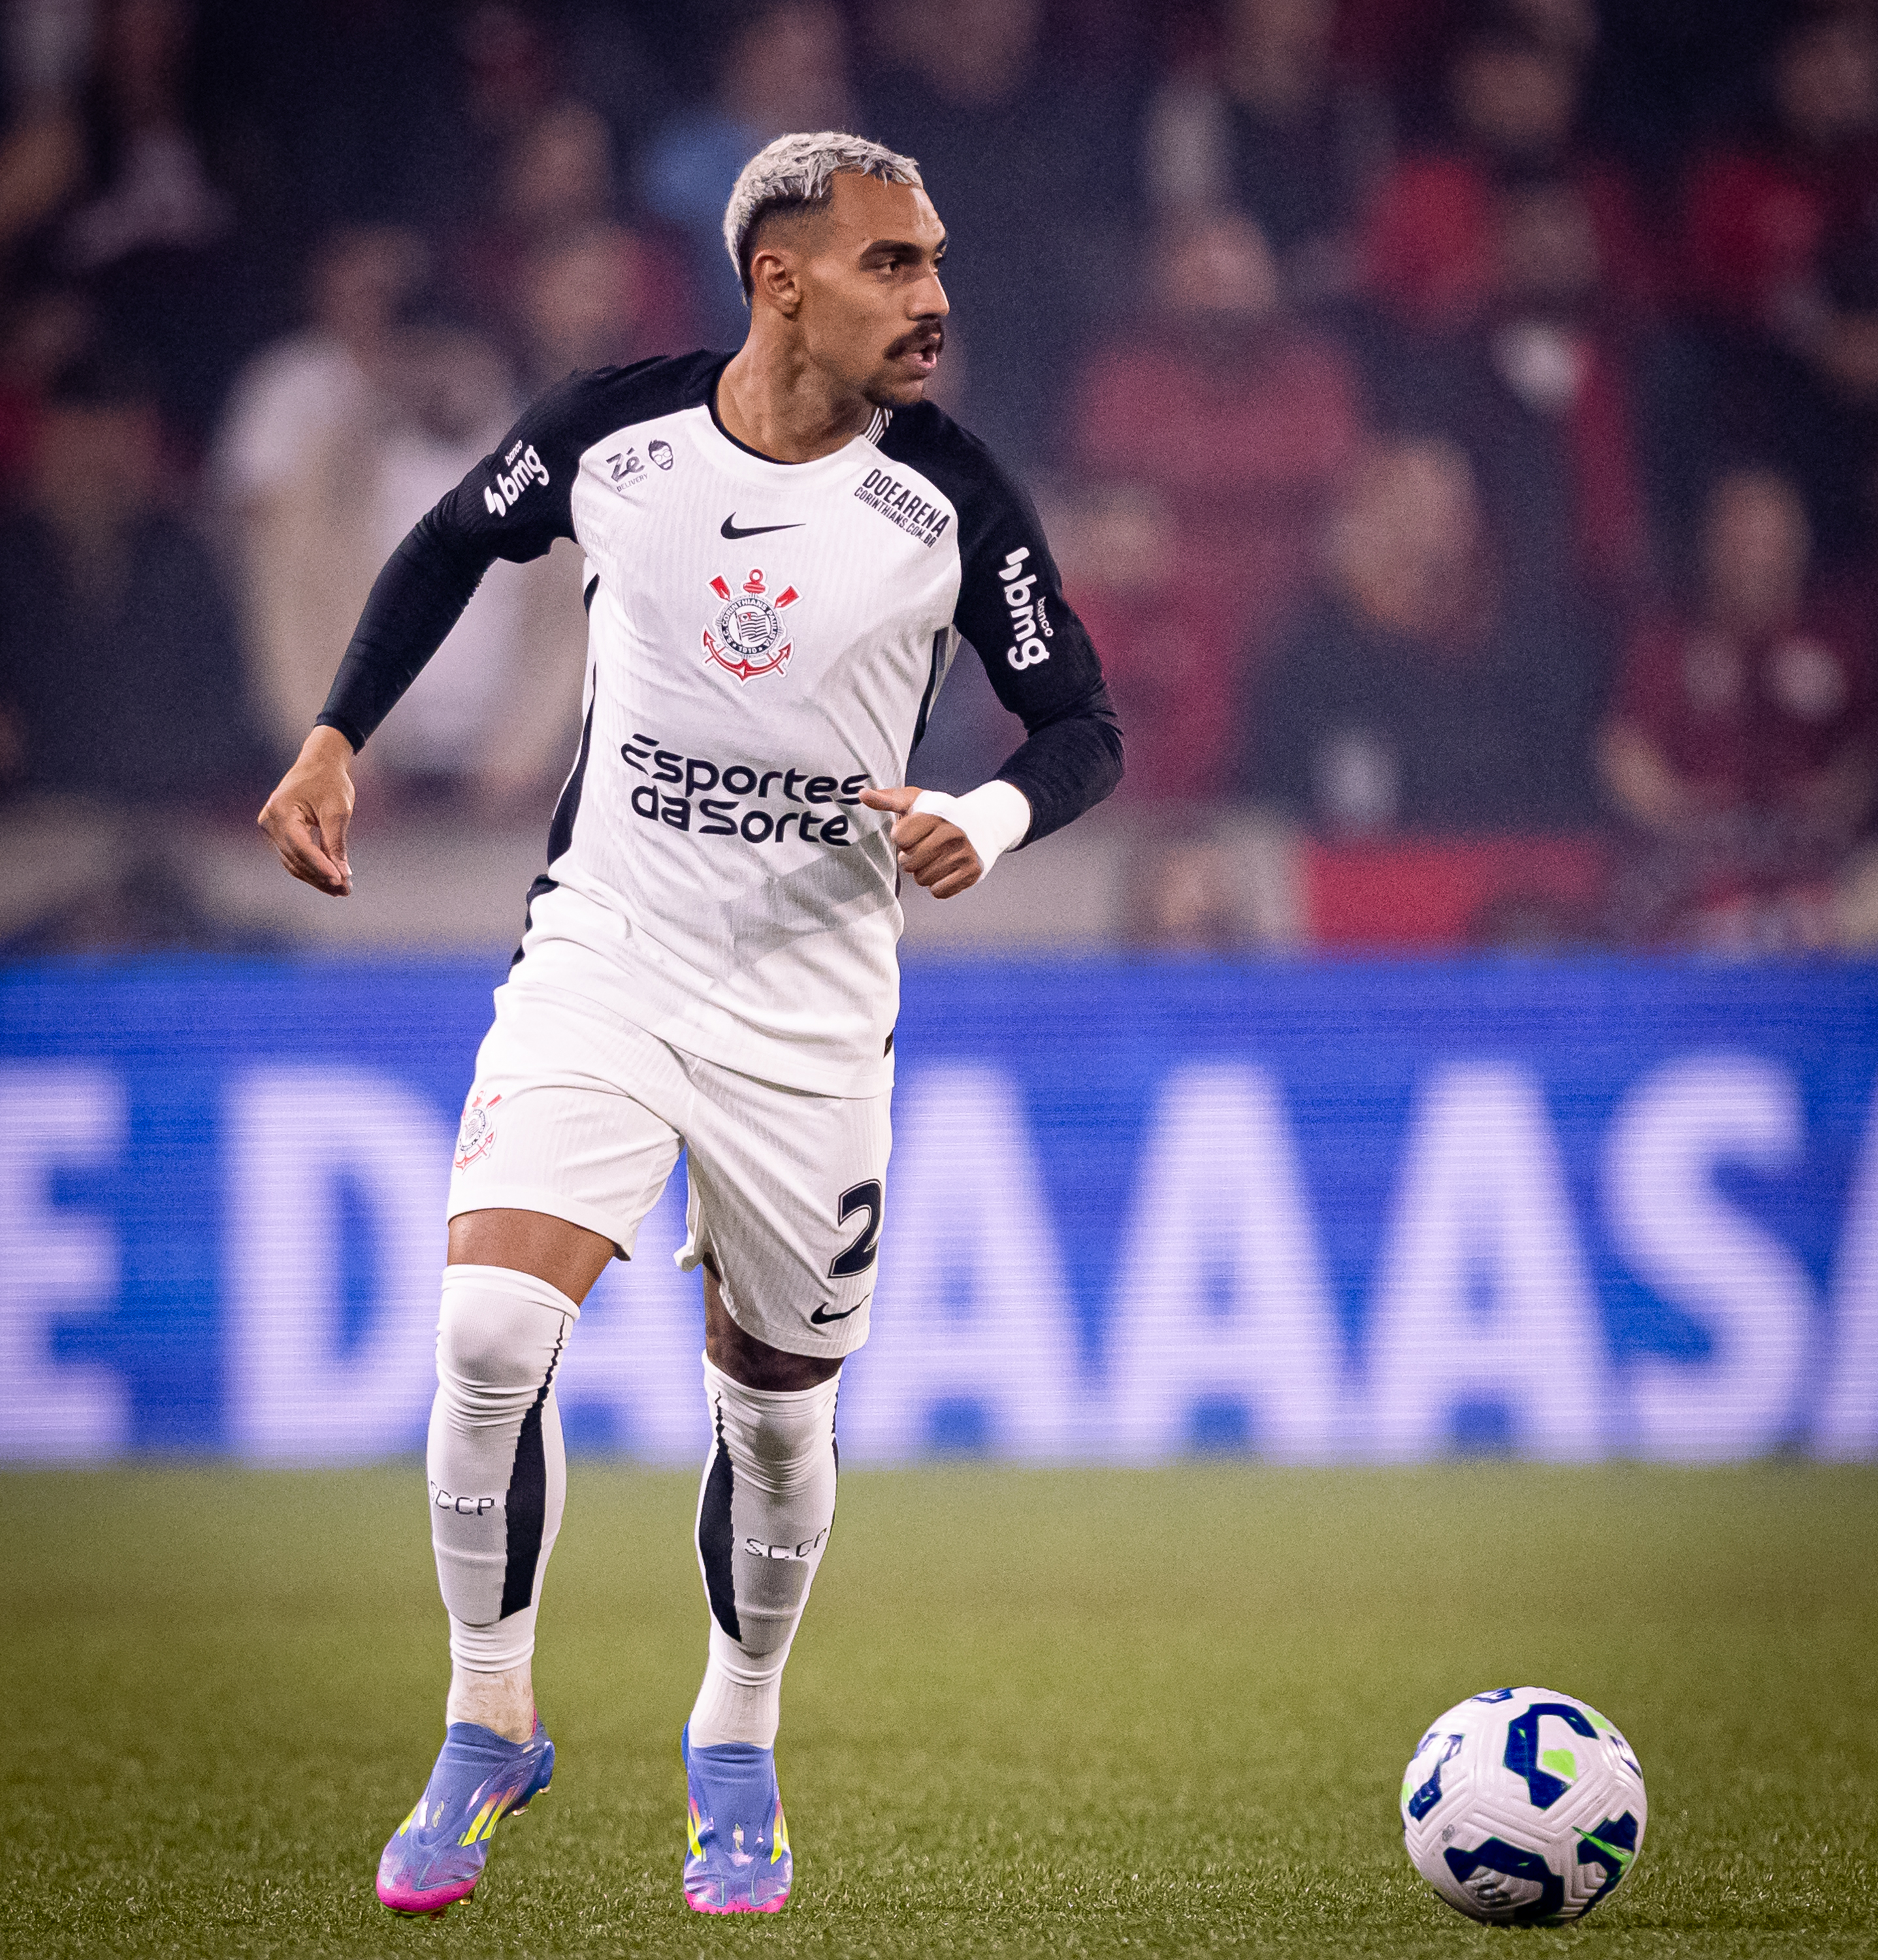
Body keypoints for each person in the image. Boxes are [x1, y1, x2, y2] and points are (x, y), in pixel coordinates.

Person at [256, 131, 1122, 1918]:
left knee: (778, 1422)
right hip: (606, 957)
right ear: (778, 278)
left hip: (809, 1022)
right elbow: (441, 543)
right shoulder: (611, 432)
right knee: (492, 1326)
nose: (935, 298)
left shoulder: (953, 499)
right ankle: (487, 1713)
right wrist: (339, 729)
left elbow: (1081, 728)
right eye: (893, 264)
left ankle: (734, 1738)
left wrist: (995, 816)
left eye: (938, 262)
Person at [1599, 467, 1878, 947]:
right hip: (1692, 880)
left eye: (1769, 540)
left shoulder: (1843, 640)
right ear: (1711, 546)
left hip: (1826, 882)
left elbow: (1863, 759)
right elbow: (1624, 756)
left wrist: (1822, 808)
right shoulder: (1665, 648)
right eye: (1740, 540)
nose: (1756, 558)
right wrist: (1692, 813)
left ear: (1798, 544)